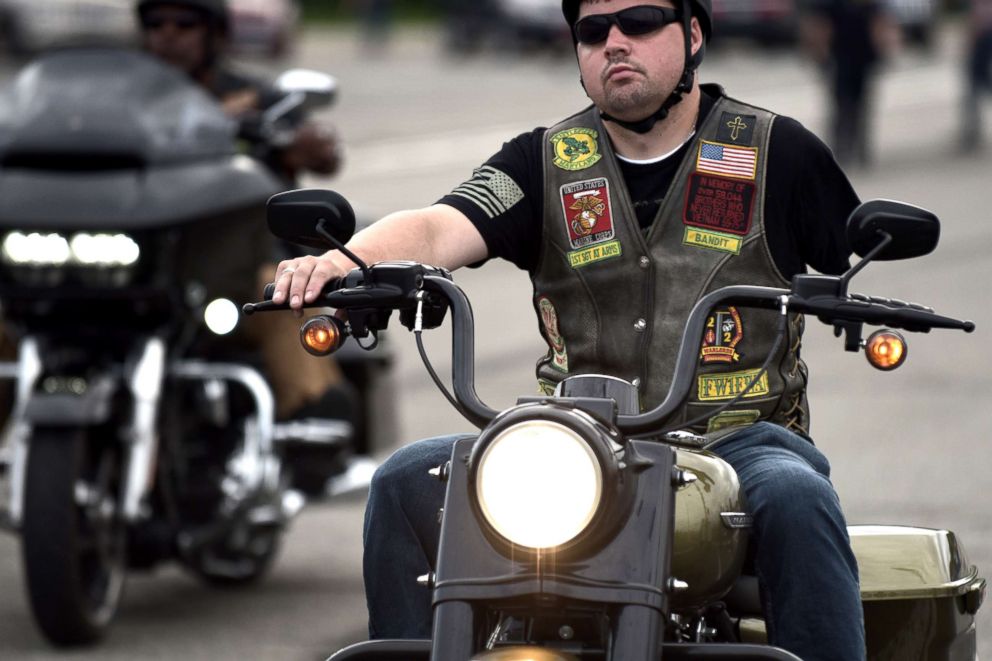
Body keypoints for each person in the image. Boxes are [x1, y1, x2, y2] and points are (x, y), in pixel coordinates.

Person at [273, 0, 866, 658]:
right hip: (577, 439)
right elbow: (441, 226)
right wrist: (346, 261)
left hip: (740, 440)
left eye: (639, 21)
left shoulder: (776, 151)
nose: (614, 42)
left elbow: (858, 245)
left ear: (693, 34)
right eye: (593, 30)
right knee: (403, 480)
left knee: (798, 496)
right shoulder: (545, 161)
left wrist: (860, 285)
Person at [136, 0, 359, 491]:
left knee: (280, 301)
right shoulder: (118, 105)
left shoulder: (254, 97)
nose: (168, 34)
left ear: (212, 33)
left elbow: (322, 153)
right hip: (135, 272)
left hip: (228, 270)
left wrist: (297, 138)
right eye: (156, 24)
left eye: (183, 23)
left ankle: (315, 423)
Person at [800, 0, 898, 167]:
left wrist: (884, 47)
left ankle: (859, 149)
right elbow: (819, 24)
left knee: (860, 105)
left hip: (862, 56)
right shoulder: (830, 5)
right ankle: (842, 149)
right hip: (839, 58)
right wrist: (819, 53)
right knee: (842, 105)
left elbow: (880, 21)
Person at [961, 0, 992, 150]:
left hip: (984, 36)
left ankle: (972, 131)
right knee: (978, 84)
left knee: (977, 84)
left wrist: (971, 39)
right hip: (983, 35)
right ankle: (972, 130)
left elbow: (978, 14)